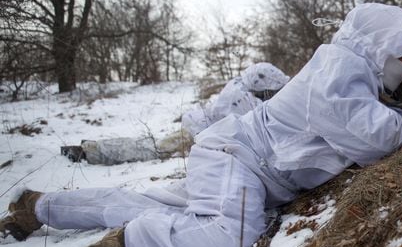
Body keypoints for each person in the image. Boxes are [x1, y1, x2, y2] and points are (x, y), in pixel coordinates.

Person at [0, 3, 402, 247]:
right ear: (381, 46)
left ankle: (37, 206)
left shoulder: (348, 69)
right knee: (233, 231)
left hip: (237, 158)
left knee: (152, 202)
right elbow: (373, 139)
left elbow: (366, 117)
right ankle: (130, 242)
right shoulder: (338, 69)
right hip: (237, 157)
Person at [60, 63, 290, 165]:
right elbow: (244, 130)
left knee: (150, 146)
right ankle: (89, 151)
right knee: (151, 149)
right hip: (194, 134)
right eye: (271, 92)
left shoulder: (245, 86)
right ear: (261, 87)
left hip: (197, 128)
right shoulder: (239, 98)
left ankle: (92, 148)